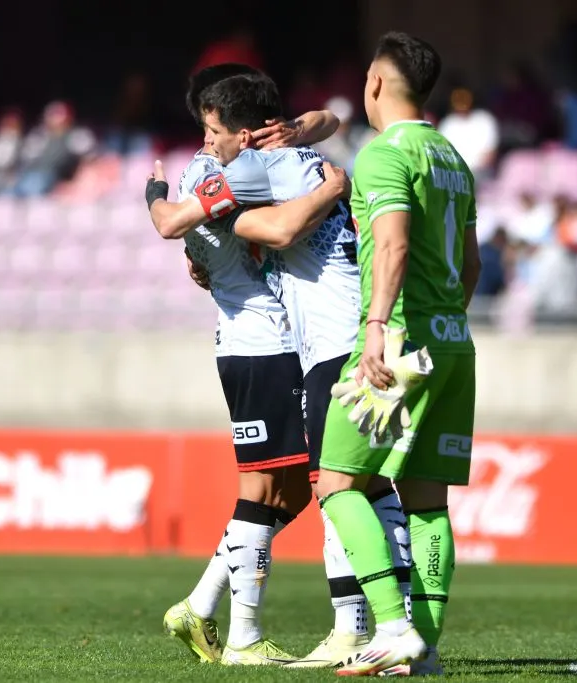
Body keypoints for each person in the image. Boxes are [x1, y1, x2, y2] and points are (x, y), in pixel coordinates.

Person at [149, 69, 413, 668]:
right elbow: (328, 126)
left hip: (311, 345)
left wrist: (171, 209)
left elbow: (226, 220)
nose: (206, 140)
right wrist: (329, 179)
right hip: (327, 338)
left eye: (213, 129)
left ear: (244, 133)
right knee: (337, 487)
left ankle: (348, 628)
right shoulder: (303, 159)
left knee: (321, 488)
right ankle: (363, 629)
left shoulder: (251, 169)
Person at [314, 32, 481, 676]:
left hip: (399, 341)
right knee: (427, 499)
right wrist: (446, 325)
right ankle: (426, 646)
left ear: (376, 83)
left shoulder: (383, 154)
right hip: (452, 343)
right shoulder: (451, 157)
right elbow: (471, 263)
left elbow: (392, 245)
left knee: (337, 483)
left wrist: (378, 327)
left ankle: (391, 625)